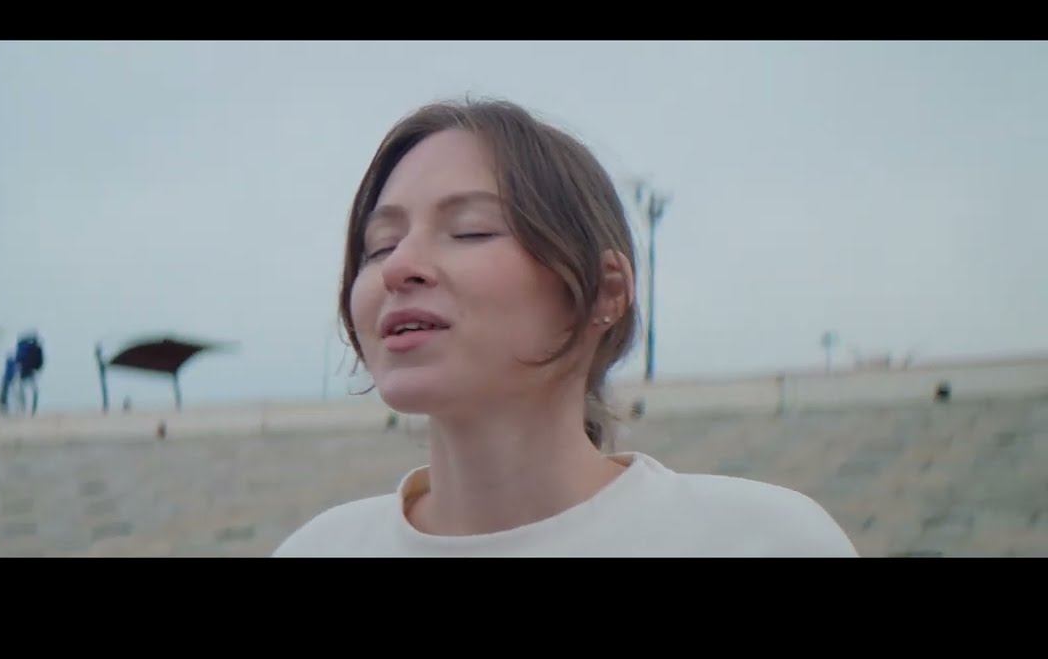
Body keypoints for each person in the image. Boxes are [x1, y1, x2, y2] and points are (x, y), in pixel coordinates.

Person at [273, 99, 858, 557]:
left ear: (606, 290)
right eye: (379, 246)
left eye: (472, 230)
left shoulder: (765, 540)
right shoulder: (318, 550)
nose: (398, 267)